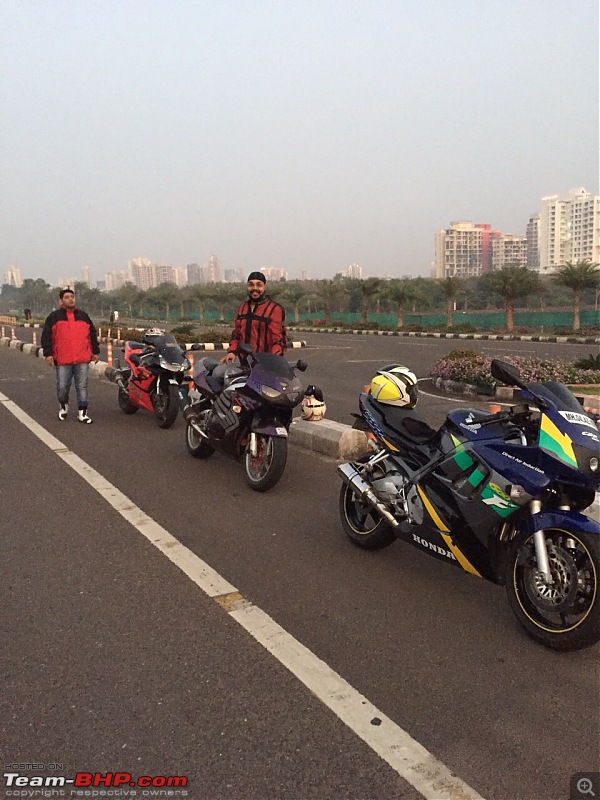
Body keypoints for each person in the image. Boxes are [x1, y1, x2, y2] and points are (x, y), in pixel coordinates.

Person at [211, 271, 287, 383]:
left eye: (259, 285)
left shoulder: (275, 309)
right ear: (247, 287)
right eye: (251, 284)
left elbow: (279, 341)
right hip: (243, 363)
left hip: (264, 365)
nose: (254, 288)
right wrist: (232, 352)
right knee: (218, 374)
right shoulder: (242, 308)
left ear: (265, 287)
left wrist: (272, 362)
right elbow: (236, 335)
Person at [41, 288, 100, 424]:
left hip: (82, 358)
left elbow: (92, 335)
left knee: (82, 386)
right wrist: (48, 354)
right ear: (61, 301)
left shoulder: (84, 316)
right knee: (63, 386)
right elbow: (46, 337)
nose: (70, 299)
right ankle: (63, 406)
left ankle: (82, 413)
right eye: (67, 297)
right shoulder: (54, 317)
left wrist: (95, 352)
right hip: (63, 359)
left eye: (72, 297)